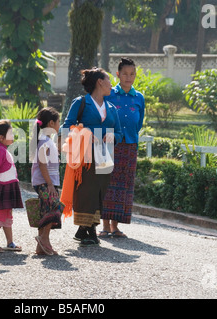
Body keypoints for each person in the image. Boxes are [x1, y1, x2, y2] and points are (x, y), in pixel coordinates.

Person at [60, 67, 123, 247]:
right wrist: (85, 132)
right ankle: (89, 229)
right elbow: (67, 126)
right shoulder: (80, 102)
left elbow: (119, 132)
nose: (112, 85)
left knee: (100, 191)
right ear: (100, 82)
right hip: (85, 156)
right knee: (85, 191)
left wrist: (114, 137)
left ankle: (85, 228)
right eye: (109, 80)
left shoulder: (111, 108)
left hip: (105, 156)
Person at [100, 57, 145, 238]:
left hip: (130, 146)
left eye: (132, 74)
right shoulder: (109, 94)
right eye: (125, 74)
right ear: (117, 74)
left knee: (123, 185)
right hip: (109, 144)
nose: (129, 77)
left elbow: (139, 122)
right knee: (106, 182)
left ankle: (115, 226)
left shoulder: (139, 97)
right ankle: (104, 226)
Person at [0, 120, 24, 252]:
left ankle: (10, 242)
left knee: (8, 216)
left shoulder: (4, 150)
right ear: (1, 138)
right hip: (2, 189)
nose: (13, 135)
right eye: (11, 133)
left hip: (8, 187)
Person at [31, 107, 63, 255]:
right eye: (58, 122)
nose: (59, 125)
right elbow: (42, 163)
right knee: (53, 208)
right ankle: (44, 239)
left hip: (47, 181)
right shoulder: (44, 140)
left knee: (45, 209)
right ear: (51, 123)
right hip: (45, 182)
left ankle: (41, 247)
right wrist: (49, 183)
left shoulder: (46, 140)